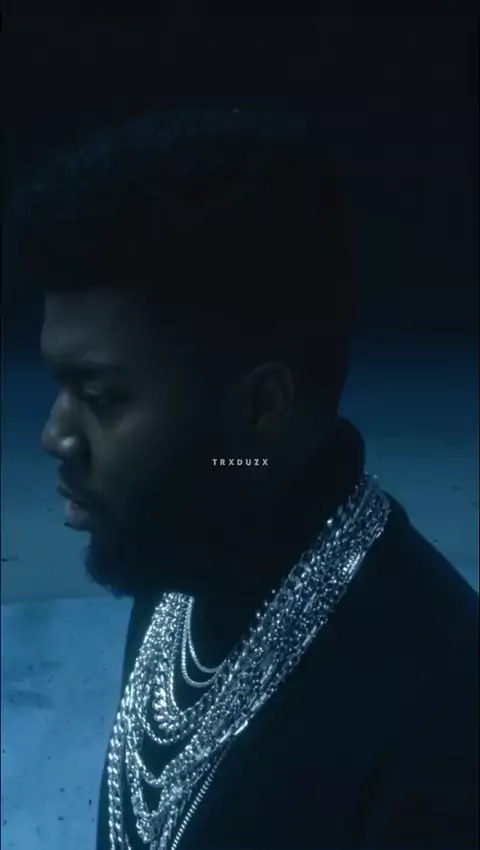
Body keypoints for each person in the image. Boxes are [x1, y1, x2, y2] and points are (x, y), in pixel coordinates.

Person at [10, 106, 478, 850]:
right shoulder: (186, 549)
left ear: (260, 409)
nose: (55, 435)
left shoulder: (436, 724)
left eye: (99, 397)